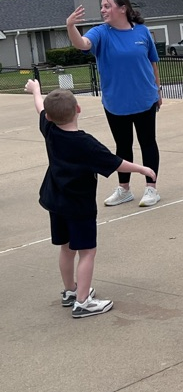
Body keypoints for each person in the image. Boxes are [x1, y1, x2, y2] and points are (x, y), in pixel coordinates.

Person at [25, 80, 156, 318]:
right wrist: (143, 169)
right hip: (79, 205)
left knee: (66, 248)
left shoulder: (50, 130)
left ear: (51, 117)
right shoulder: (85, 143)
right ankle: (83, 301)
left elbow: (39, 108)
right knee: (87, 251)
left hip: (55, 200)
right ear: (78, 109)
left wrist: (36, 90)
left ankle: (70, 291)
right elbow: (116, 163)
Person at [66, 0, 162, 208]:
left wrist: (158, 90)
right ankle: (124, 189)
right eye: (102, 6)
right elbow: (82, 44)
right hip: (116, 102)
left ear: (123, 8)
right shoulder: (101, 33)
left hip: (145, 99)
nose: (103, 10)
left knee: (148, 143)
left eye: (107, 6)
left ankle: (151, 188)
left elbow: (153, 62)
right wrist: (71, 26)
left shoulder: (142, 33)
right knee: (123, 146)